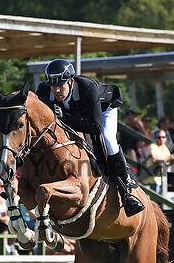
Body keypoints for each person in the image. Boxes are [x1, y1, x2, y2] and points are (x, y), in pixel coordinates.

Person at [35, 59, 144, 217]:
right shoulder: (44, 90)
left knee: (108, 140)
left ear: (71, 82)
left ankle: (127, 192)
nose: (56, 90)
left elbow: (95, 127)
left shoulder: (87, 87)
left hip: (104, 109)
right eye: (53, 86)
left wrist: (64, 118)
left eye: (61, 85)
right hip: (74, 112)